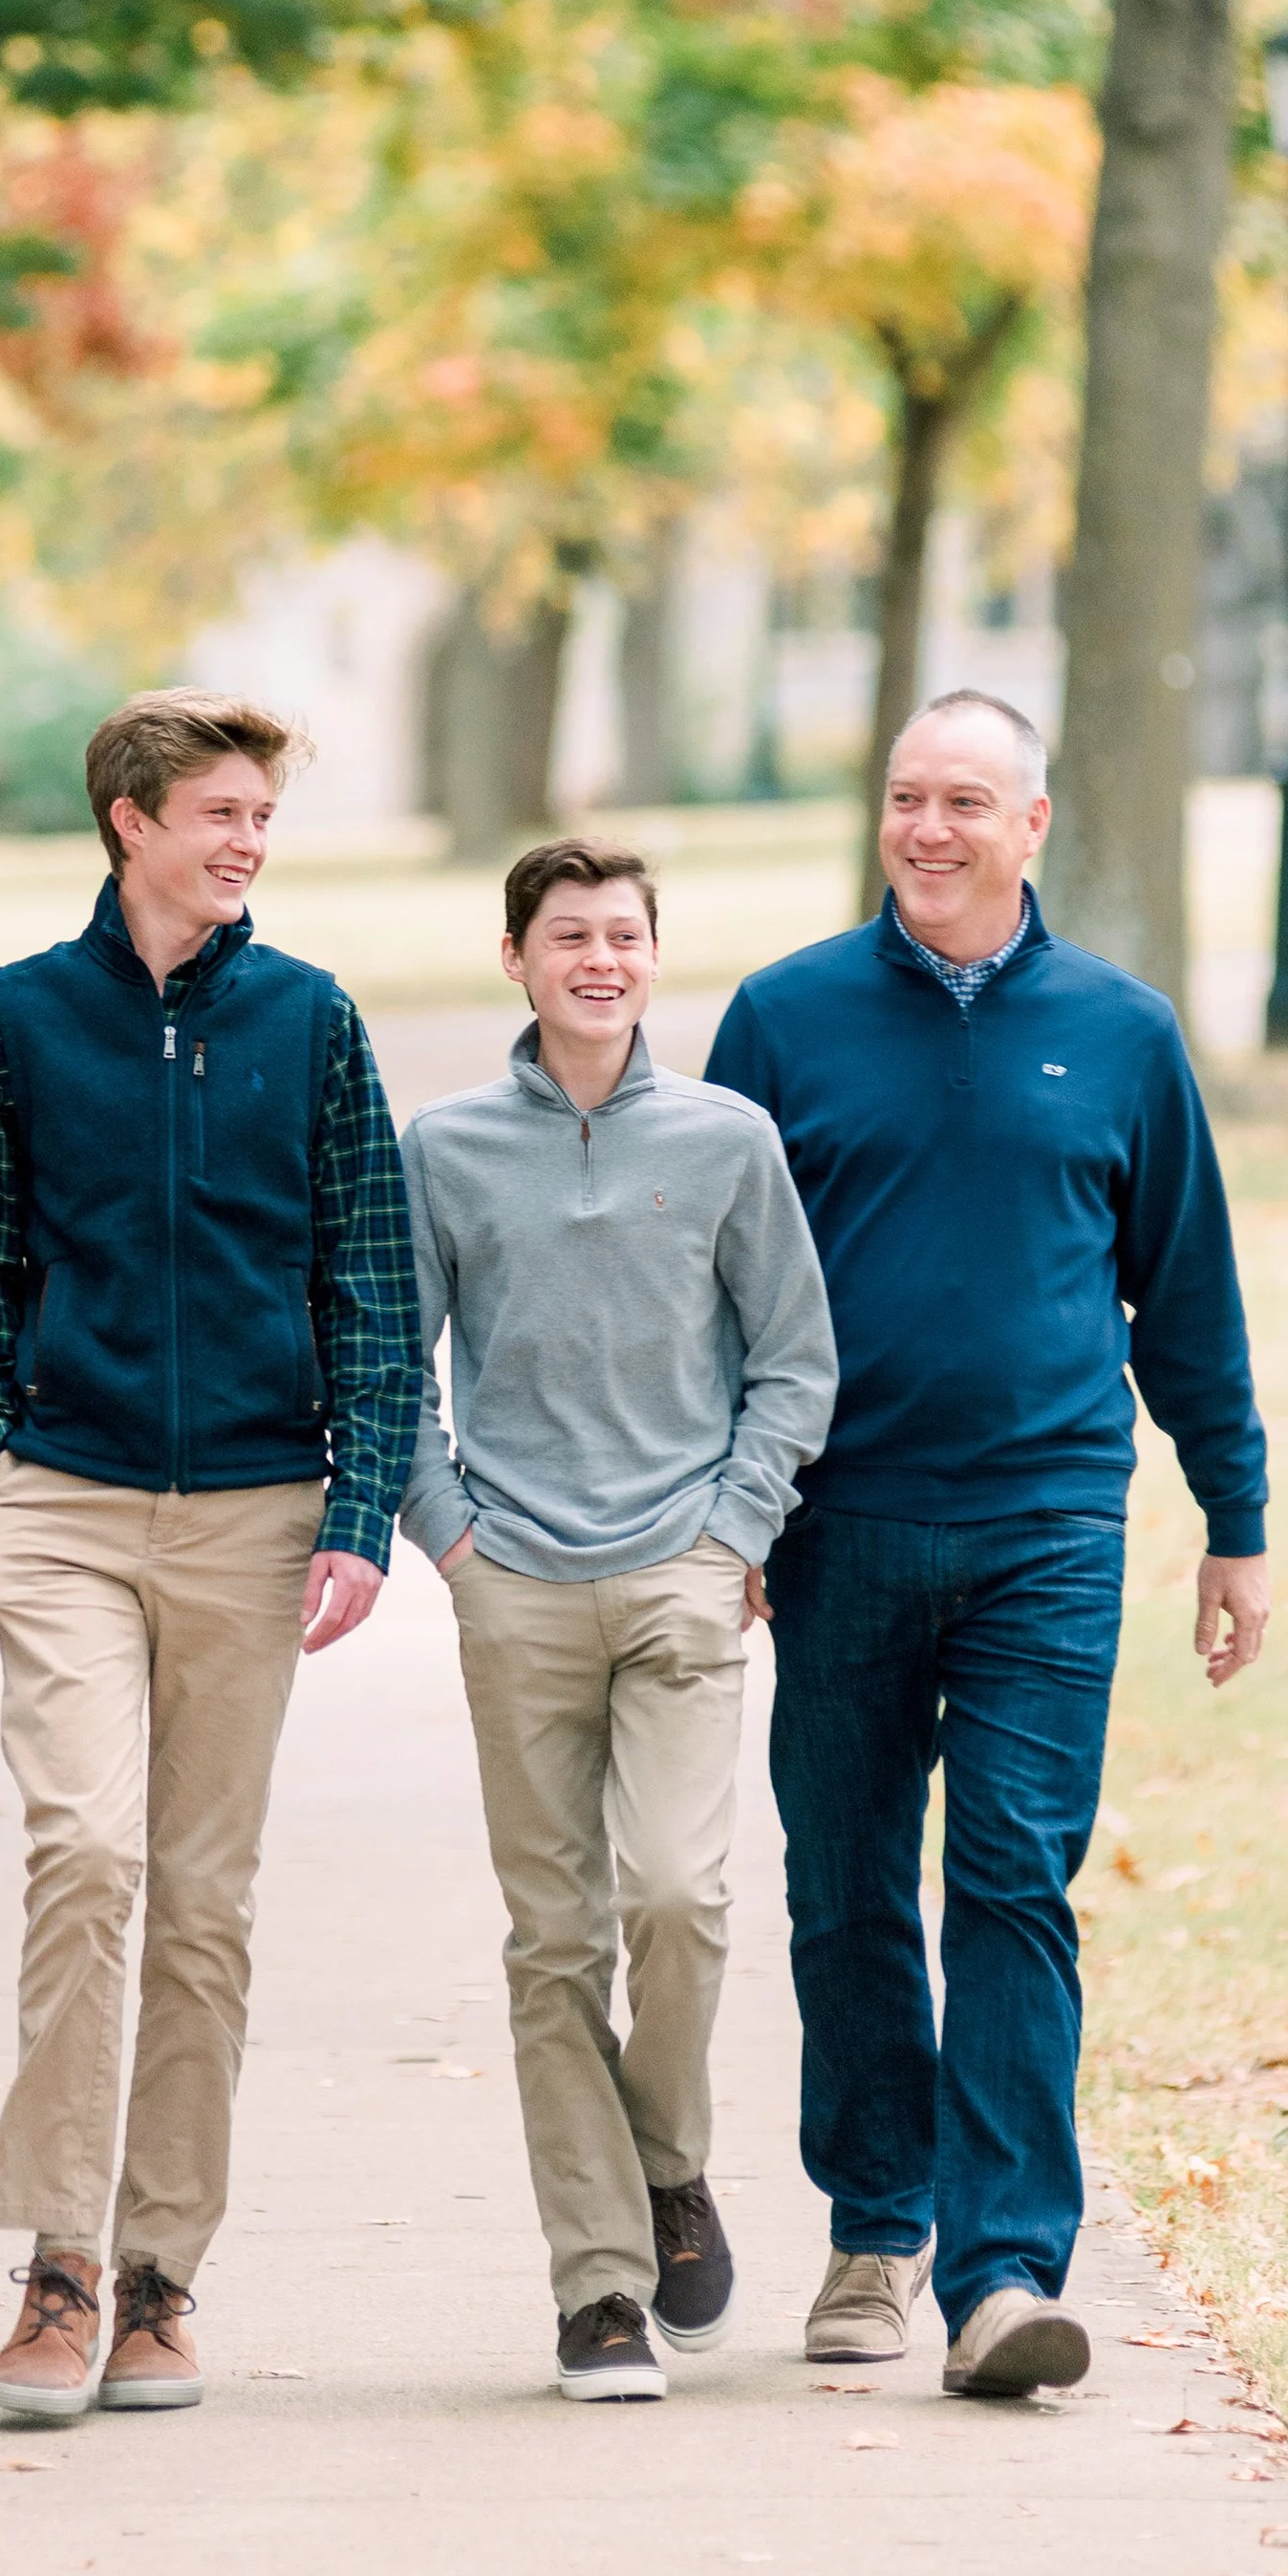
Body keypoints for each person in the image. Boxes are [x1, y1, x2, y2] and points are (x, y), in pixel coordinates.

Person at [705, 691, 1271, 2400]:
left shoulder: (1121, 1032)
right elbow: (706, 1286)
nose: (928, 828)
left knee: (1013, 1877)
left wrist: (1233, 1517)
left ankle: (1008, 2270)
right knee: (847, 1882)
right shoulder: (788, 1019)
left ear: (1034, 825)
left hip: (1047, 1523)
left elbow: (1185, 1290)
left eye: (965, 800)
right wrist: (718, 1514)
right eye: (903, 798)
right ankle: (879, 2225)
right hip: (838, 1521)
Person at [0, 690, 419, 2423]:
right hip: (61, 1499)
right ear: (128, 820)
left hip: (257, 1516)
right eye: (218, 812)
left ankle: (160, 2278)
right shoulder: (11, 1024)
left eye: (261, 817)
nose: (247, 842)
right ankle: (56, 2266)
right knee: (85, 1854)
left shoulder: (310, 1020)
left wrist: (359, 1515)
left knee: (204, 1908)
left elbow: (371, 1279)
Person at [400, 842, 836, 2404]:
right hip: (511, 1580)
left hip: (678, 1577)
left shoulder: (728, 1141)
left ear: (656, 958)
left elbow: (794, 1361)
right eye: (568, 935)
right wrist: (449, 1538)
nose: (599, 959)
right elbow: (392, 1362)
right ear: (515, 957)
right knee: (557, 1942)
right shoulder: (443, 1146)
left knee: (677, 1897)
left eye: (624, 935)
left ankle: (672, 2167)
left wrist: (732, 1533)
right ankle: (598, 2287)